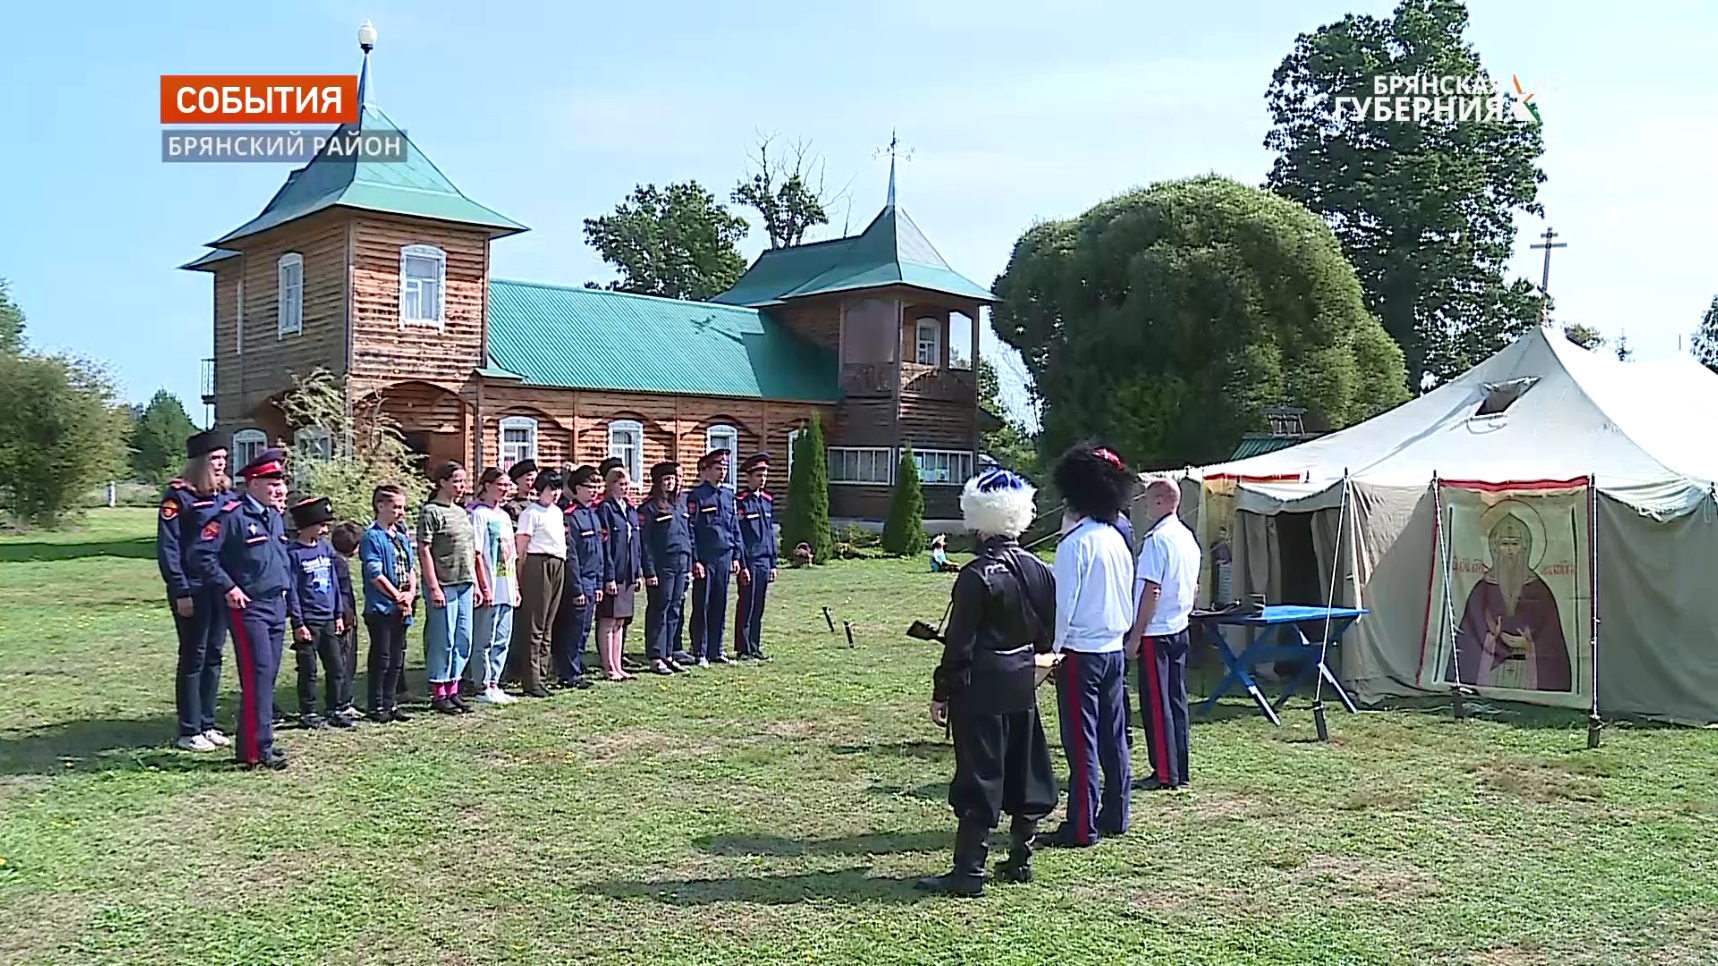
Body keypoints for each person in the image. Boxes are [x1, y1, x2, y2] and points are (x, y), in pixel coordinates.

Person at [917, 469, 1059, 897]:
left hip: (979, 685)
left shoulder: (976, 575)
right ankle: (1021, 857)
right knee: (1023, 767)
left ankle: (970, 870)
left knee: (980, 773)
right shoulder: (1041, 570)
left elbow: (959, 645)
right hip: (1021, 680)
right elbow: (1045, 634)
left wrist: (942, 691)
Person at [1044, 443, 1138, 847]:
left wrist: (1052, 652)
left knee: (1080, 739)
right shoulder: (1116, 538)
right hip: (1112, 648)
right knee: (1113, 736)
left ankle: (1082, 825)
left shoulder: (1075, 544)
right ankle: (1116, 813)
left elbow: (1063, 606)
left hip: (1081, 652)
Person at [189, 447, 292, 770]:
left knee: (266, 677)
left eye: (281, 482)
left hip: (276, 604)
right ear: (253, 483)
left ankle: (256, 742)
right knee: (258, 676)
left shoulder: (273, 516)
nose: (280, 489)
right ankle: (255, 751)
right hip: (250, 608)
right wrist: (228, 586)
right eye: (273, 482)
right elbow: (201, 554)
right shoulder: (232, 516)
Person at [158, 430, 233, 753]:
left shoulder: (225, 495)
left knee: (214, 654)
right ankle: (188, 729)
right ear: (202, 461)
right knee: (194, 655)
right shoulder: (179, 496)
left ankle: (207, 722)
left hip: (219, 585)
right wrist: (180, 589)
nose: (221, 465)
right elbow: (169, 547)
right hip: (192, 587)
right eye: (215, 459)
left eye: (224, 459)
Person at [1128, 478, 1200, 791]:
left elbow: (1151, 590)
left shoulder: (1158, 541)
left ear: (1159, 501)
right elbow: (1194, 587)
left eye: (1148, 500)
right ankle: (1178, 767)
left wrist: (1135, 634)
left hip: (1156, 631)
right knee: (1175, 699)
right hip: (1179, 625)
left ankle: (1165, 772)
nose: (1144, 506)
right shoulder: (1188, 538)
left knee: (1157, 704)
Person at [1453, 504, 1571, 691]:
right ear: (1495, 547)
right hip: (1491, 667)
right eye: (1504, 544)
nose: (1509, 551)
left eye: (1514, 544)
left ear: (1525, 547)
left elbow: (1552, 636)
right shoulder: (1483, 587)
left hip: (1527, 667)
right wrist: (1491, 636)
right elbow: (1467, 635)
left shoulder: (1539, 589)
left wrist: (1530, 643)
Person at [286, 497, 353, 729]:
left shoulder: (325, 549)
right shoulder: (293, 553)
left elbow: (333, 582)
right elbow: (292, 590)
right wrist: (298, 622)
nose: (325, 530)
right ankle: (309, 712)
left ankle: (335, 708)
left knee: (336, 667)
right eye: (321, 525)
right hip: (308, 620)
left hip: (328, 618)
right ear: (306, 525)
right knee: (309, 669)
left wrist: (337, 614)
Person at [418, 461, 477, 715]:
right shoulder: (431, 511)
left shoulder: (461, 511)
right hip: (444, 583)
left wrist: (475, 584)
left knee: (463, 637)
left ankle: (454, 687)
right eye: (456, 481)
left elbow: (469, 550)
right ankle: (439, 691)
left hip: (464, 581)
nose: (461, 487)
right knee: (443, 638)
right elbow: (424, 549)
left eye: (463, 482)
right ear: (442, 482)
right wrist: (433, 586)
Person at [360, 484, 416, 723]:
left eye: (403, 507)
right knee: (381, 656)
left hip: (403, 605)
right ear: (380, 506)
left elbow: (411, 568)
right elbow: (375, 573)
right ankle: (377, 703)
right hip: (382, 606)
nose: (400, 512)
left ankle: (391, 702)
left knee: (396, 657)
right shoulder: (372, 537)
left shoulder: (401, 537)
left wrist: (410, 594)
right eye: (395, 507)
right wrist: (396, 595)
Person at [514, 469, 567, 698]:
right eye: (550, 489)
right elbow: (522, 547)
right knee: (535, 623)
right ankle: (531, 678)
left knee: (548, 623)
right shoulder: (531, 512)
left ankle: (542, 674)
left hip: (557, 563)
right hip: (538, 564)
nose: (554, 494)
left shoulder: (557, 512)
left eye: (557, 489)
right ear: (539, 490)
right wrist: (518, 576)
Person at [470, 468, 521, 705]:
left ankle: (495, 683)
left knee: (502, 638)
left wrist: (516, 587)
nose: (505, 489)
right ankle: (481, 684)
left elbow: (512, 556)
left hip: (507, 585)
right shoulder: (479, 515)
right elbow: (477, 553)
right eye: (501, 484)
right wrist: (484, 586)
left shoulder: (503, 516)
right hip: (491, 585)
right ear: (487, 485)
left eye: (507, 485)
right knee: (485, 639)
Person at [686, 450, 741, 667]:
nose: (722, 473)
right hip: (706, 557)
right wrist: (695, 560)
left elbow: (733, 527)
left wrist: (737, 555)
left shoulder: (728, 495)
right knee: (703, 604)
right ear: (706, 471)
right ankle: (699, 649)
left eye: (725, 468)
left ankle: (716, 649)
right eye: (718, 469)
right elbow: (692, 529)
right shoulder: (697, 496)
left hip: (724, 556)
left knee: (720, 604)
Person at [552, 465, 605, 690]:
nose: (593, 491)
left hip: (593, 579)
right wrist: (576, 589)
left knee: (584, 628)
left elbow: (599, 552)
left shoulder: (592, 514)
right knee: (572, 629)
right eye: (588, 487)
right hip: (579, 580)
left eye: (596, 487)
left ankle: (576, 666)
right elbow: (571, 556)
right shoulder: (570, 516)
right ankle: (567, 672)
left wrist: (600, 582)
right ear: (576, 489)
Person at [639, 461, 693, 675]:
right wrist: (649, 570)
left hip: (681, 562)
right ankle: (655, 655)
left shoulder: (678, 505)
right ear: (658, 482)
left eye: (673, 479)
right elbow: (646, 543)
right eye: (666, 480)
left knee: (675, 608)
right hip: (663, 565)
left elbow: (687, 535)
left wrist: (689, 562)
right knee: (659, 609)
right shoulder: (650, 507)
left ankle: (669, 653)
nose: (671, 484)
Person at [596, 464, 643, 681]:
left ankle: (619, 663)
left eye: (627, 484)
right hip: (613, 572)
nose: (625, 488)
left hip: (628, 572)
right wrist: (609, 576)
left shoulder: (630, 509)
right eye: (621, 484)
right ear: (611, 485)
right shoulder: (606, 509)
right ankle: (609, 667)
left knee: (621, 621)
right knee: (608, 620)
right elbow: (606, 546)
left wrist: (637, 572)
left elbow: (636, 544)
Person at [733, 452, 778, 662]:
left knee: (759, 605)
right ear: (748, 477)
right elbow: (740, 535)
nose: (762, 478)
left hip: (764, 561)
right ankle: (743, 648)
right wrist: (742, 565)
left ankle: (755, 645)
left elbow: (770, 534)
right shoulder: (741, 502)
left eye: (765, 475)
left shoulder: (767, 501)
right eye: (758, 475)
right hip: (749, 561)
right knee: (747, 604)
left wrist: (774, 563)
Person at [330, 521, 364, 722]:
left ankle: (343, 700)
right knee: (346, 660)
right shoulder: (339, 564)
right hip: (345, 618)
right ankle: (343, 702)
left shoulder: (335, 560)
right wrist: (347, 616)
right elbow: (342, 594)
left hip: (344, 615)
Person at [501, 459, 537, 526]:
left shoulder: (539, 504)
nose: (533, 483)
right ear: (517, 481)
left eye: (535, 479)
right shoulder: (512, 507)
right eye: (529, 480)